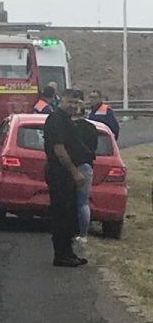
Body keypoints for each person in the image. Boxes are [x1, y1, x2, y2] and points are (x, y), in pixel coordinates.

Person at [43, 89, 90, 267]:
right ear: (61, 100)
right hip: (60, 172)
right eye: (70, 101)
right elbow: (59, 150)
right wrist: (74, 171)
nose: (73, 105)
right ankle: (61, 255)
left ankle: (68, 253)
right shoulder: (56, 120)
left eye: (76, 103)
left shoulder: (68, 120)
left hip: (67, 173)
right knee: (61, 215)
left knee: (69, 214)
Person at [73, 98, 99, 244]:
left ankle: (68, 230)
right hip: (86, 166)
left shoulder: (70, 127)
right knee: (83, 202)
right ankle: (83, 235)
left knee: (67, 200)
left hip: (69, 166)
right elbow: (94, 147)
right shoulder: (92, 128)